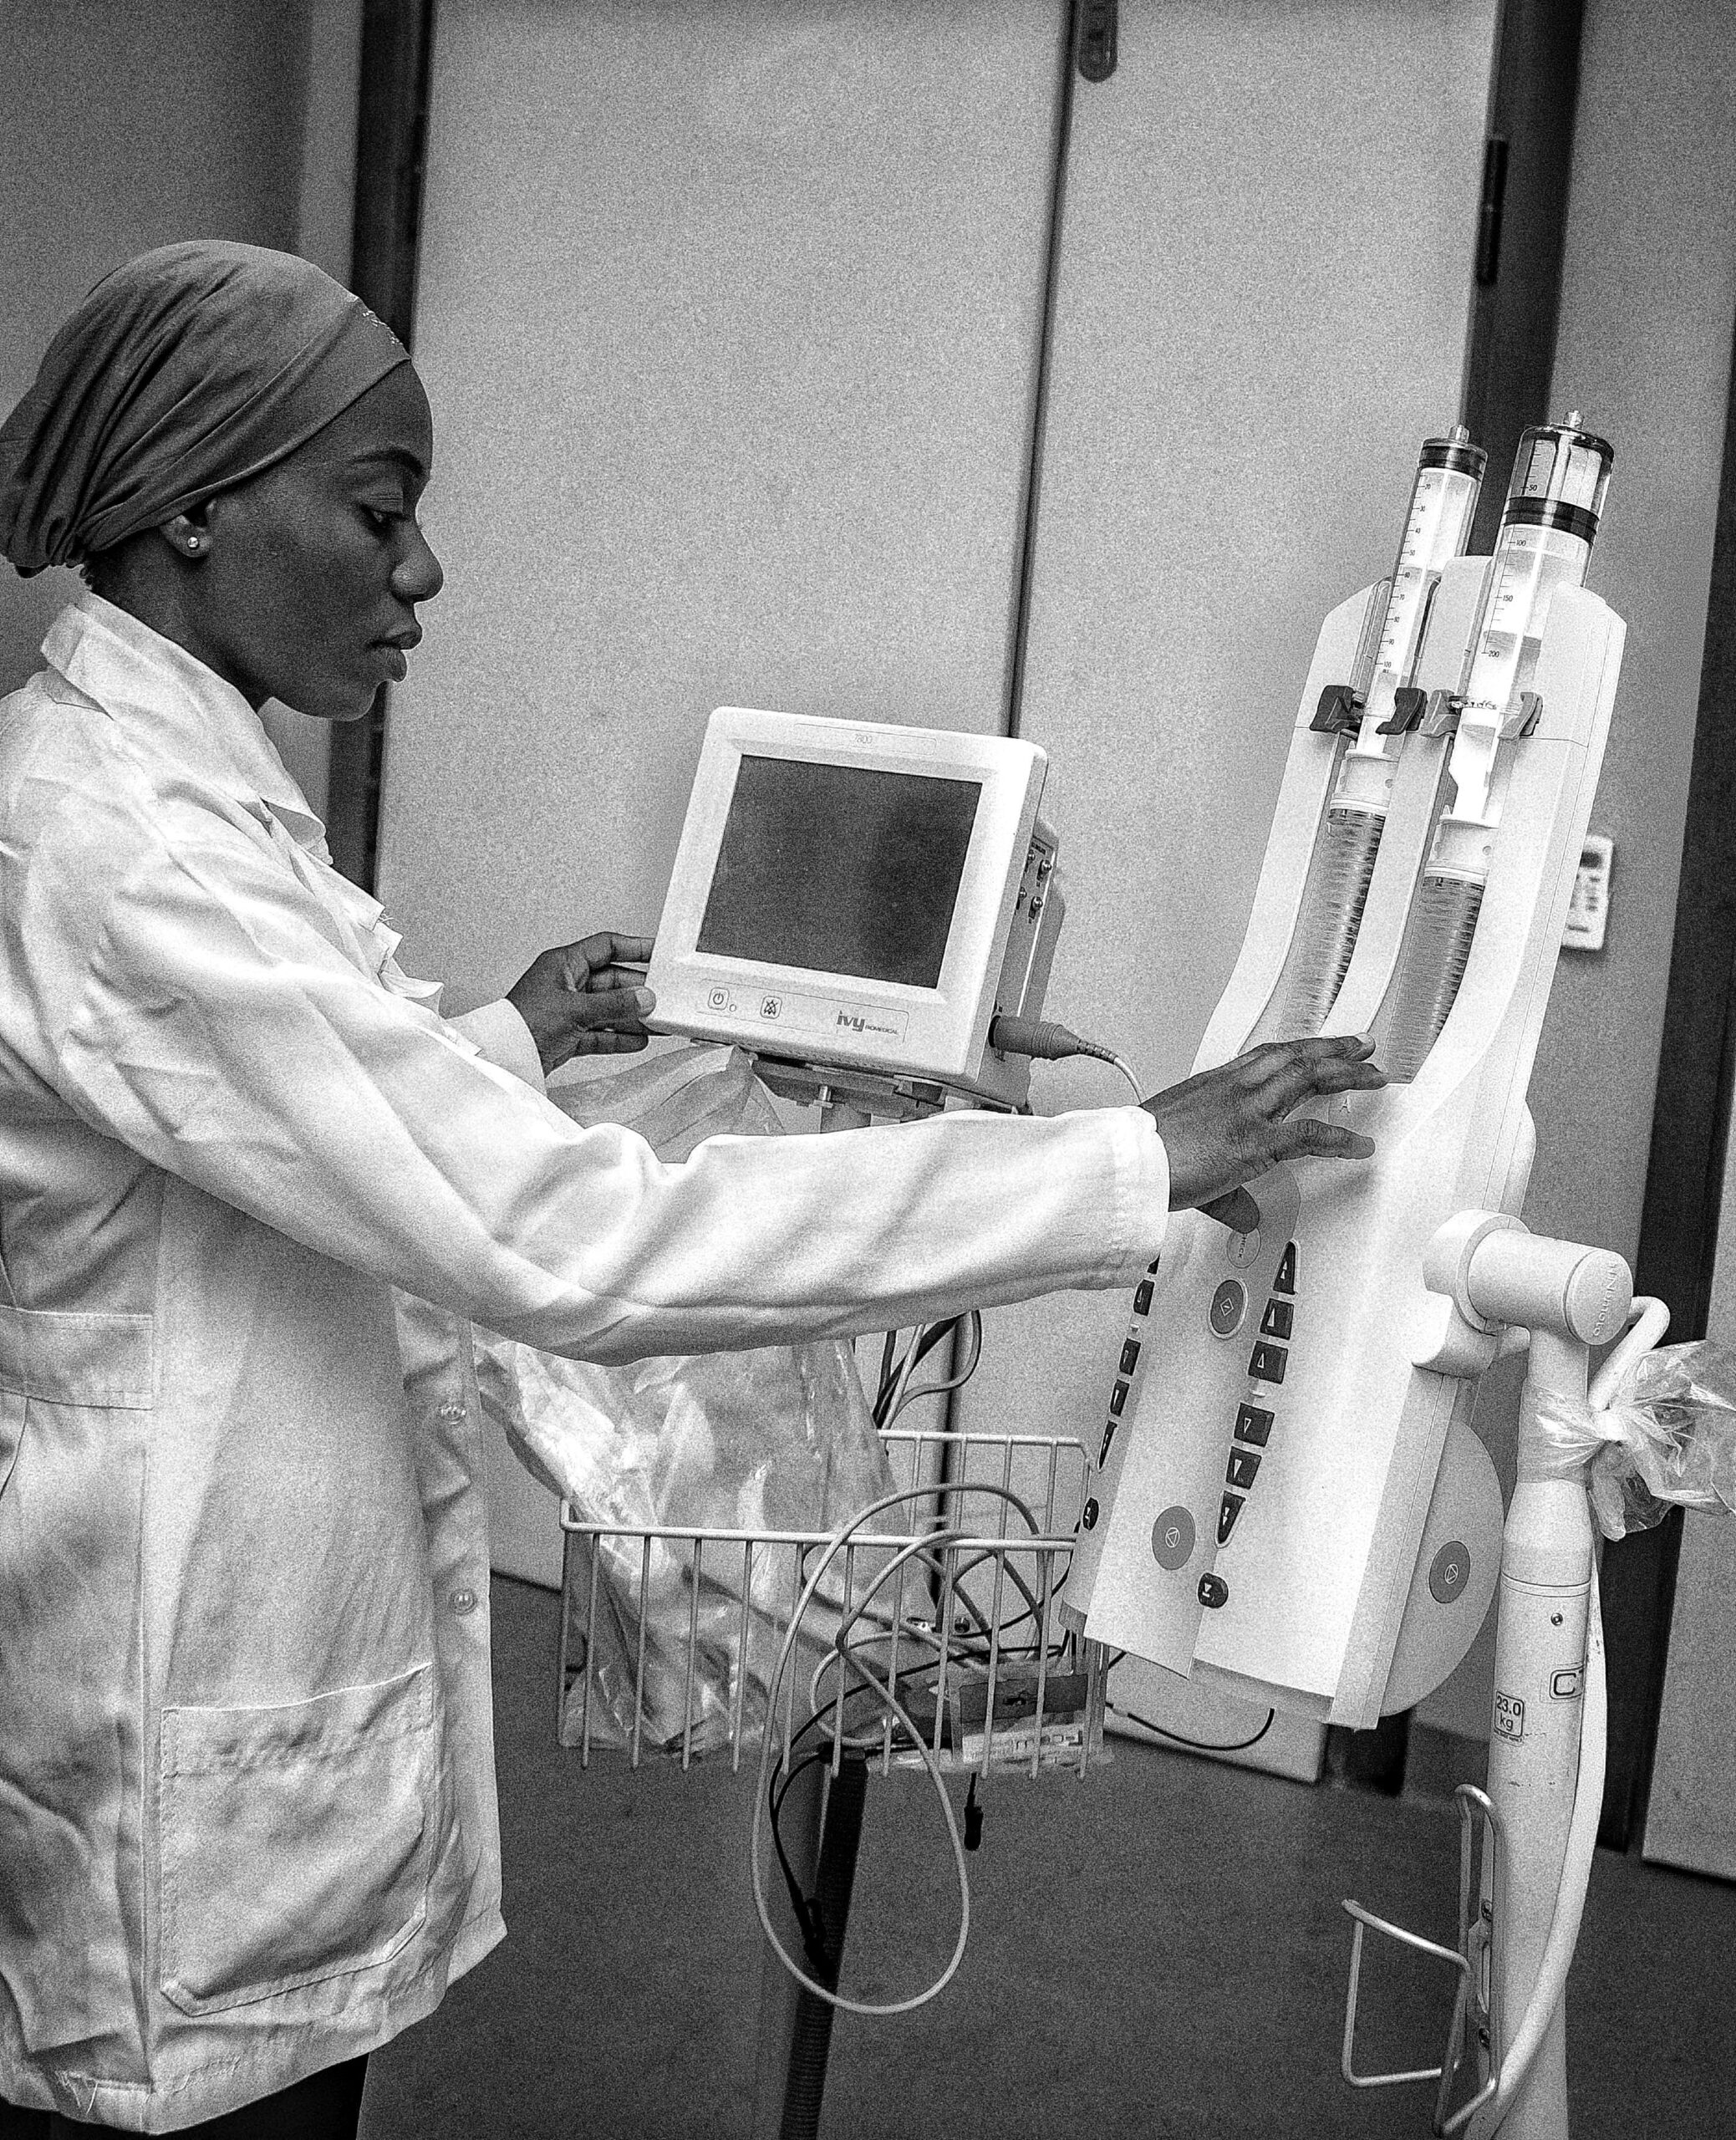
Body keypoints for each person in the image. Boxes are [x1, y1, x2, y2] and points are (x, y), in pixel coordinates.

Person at [0, 242, 1382, 2137]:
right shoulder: (127, 839)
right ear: (191, 507)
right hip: (176, 1736)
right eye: (381, 512)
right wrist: (1136, 1160)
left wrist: (521, 1034)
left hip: (229, 1689)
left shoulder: (169, 786)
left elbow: (261, 1127)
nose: (424, 574)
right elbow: (560, 1236)